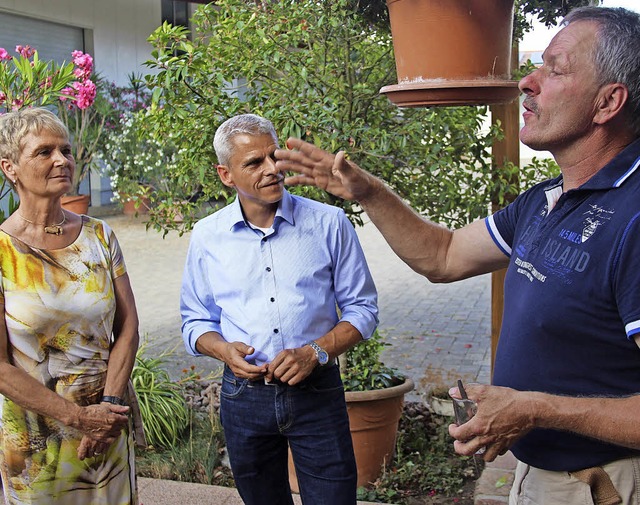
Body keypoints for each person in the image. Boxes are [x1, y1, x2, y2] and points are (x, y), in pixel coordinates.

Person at [275, 6, 640, 504]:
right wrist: (367, 191)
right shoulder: (544, 200)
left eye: (555, 69)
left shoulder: (635, 219)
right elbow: (443, 256)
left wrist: (533, 409)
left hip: (610, 484)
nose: (527, 82)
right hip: (544, 478)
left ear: (608, 102)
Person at [180, 113, 378, 505]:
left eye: (275, 156)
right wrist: (223, 350)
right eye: (254, 162)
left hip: (317, 390)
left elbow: (363, 308)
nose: (272, 169)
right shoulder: (207, 236)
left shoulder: (329, 223)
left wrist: (315, 352)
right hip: (244, 396)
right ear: (226, 175)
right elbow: (195, 319)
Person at [0, 107, 141, 504]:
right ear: (10, 167)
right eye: (44, 152)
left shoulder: (100, 235)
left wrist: (110, 408)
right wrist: (79, 419)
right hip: (35, 444)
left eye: (65, 149)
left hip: (107, 431)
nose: (61, 159)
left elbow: (128, 327)